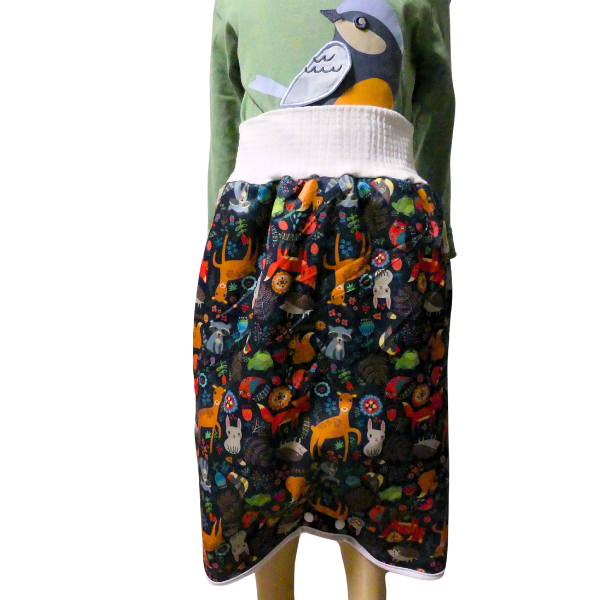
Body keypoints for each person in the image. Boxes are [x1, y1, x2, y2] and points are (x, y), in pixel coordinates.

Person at [193, 1, 455, 598]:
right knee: (257, 448)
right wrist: (219, 233)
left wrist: (437, 226)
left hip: (383, 224)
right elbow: (225, 111)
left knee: (383, 448)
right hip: (267, 227)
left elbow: (437, 101)